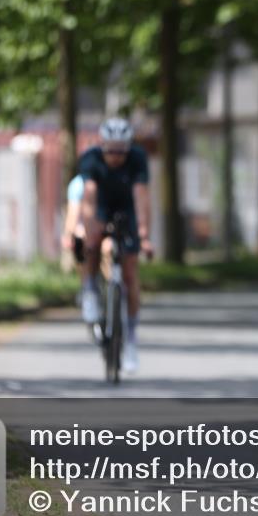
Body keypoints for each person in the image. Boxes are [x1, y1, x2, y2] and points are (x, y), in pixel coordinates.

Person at [78, 117, 153, 373]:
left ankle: (130, 339)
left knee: (131, 273)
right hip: (101, 206)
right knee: (93, 243)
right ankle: (89, 289)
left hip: (127, 209)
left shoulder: (138, 158)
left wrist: (143, 235)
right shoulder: (90, 158)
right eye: (111, 150)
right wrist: (89, 234)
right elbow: (88, 197)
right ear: (102, 146)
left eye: (121, 151)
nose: (116, 157)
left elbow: (142, 196)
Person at [61, 175, 87, 273]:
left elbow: (73, 215)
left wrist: (68, 234)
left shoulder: (77, 184)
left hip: (83, 232)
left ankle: (86, 283)